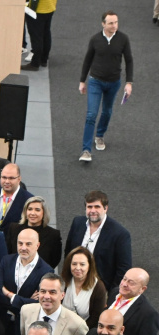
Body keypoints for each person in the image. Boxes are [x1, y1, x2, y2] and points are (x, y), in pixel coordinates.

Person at [78, 11, 133, 162]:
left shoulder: (123, 39)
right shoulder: (95, 39)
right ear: (103, 24)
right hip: (95, 81)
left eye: (116, 22)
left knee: (107, 112)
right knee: (91, 115)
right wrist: (82, 81)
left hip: (114, 83)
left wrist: (129, 82)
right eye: (110, 23)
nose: (114, 25)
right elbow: (87, 60)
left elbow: (129, 61)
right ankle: (86, 150)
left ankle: (100, 136)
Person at [64, 190, 132, 288]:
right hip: (73, 283)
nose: (92, 211)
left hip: (100, 289)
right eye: (89, 207)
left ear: (105, 208)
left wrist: (110, 294)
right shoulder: (77, 223)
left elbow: (123, 268)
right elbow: (68, 252)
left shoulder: (120, 234)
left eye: (97, 207)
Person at [0, 228, 54, 333]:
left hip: (26, 327)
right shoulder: (6, 261)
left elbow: (38, 303)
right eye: (20, 243)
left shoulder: (46, 271)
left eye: (28, 244)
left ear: (37, 246)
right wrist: (25, 301)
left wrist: (9, 295)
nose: (23, 248)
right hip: (1, 324)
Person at [19, 273, 89, 335]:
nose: (47, 296)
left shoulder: (77, 324)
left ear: (62, 295)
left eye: (52, 292)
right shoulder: (26, 311)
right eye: (43, 291)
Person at [5, 196, 63, 269]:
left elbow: (54, 260)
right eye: (30, 209)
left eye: (37, 210)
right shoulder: (14, 229)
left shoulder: (53, 235)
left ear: (44, 213)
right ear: (25, 212)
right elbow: (7, 253)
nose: (32, 213)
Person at [61, 247, 107, 329]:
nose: (77, 268)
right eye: (74, 264)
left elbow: (96, 319)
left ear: (89, 266)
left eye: (82, 264)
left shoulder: (98, 287)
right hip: (61, 326)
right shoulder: (63, 281)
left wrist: (77, 331)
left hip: (85, 330)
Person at [0, 163, 33, 233]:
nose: (7, 181)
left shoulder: (28, 199)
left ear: (19, 179)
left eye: (11, 178)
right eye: (4, 177)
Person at [19, 0, 56, 71]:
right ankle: (43, 59)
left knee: (36, 37)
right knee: (46, 33)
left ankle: (35, 63)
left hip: (37, 10)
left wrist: (30, 8)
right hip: (50, 6)